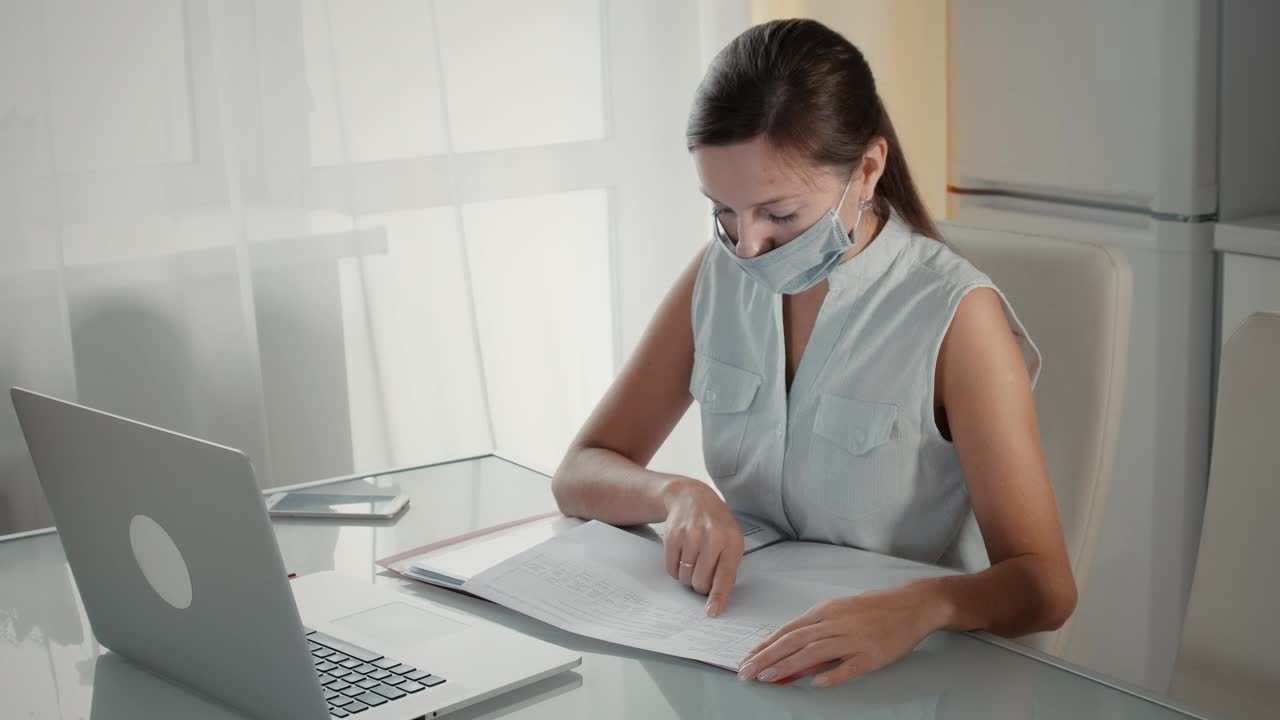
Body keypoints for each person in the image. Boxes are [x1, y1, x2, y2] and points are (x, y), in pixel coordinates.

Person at [551, 18, 1076, 689]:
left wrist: (927, 606)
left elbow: (1045, 585)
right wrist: (676, 495)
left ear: (867, 171)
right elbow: (580, 471)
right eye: (724, 212)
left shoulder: (956, 318)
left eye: (780, 215)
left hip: (908, 672)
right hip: (742, 651)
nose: (747, 247)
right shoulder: (717, 275)